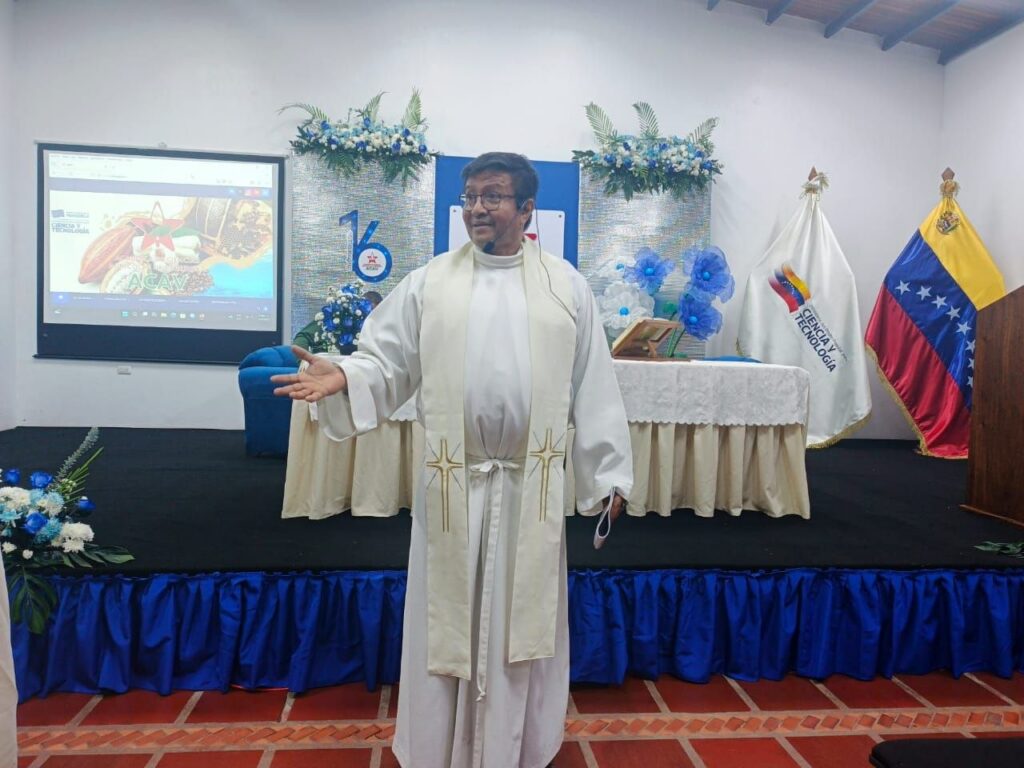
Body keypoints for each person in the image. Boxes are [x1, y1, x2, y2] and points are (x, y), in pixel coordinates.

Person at [273, 152, 632, 768]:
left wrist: (609, 474)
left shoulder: (564, 286)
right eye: (470, 197)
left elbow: (594, 384)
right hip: (452, 485)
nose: (476, 209)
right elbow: (385, 361)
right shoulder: (431, 282)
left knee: (520, 627)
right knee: (445, 623)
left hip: (528, 487)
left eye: (492, 196)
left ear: (526, 209)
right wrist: (347, 375)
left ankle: (515, 749)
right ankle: (436, 747)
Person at [293, 290, 383, 353]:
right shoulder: (336, 319)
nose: (370, 316)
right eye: (368, 311)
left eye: (375, 314)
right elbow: (302, 337)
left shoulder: (379, 330)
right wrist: (304, 361)